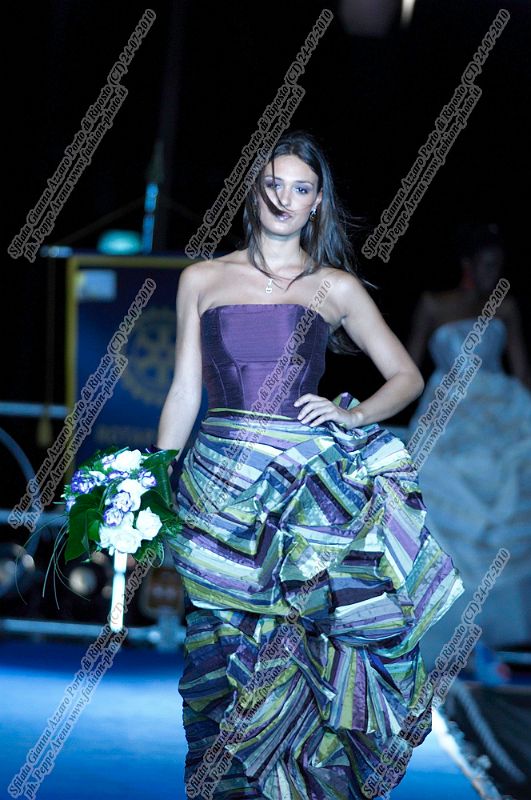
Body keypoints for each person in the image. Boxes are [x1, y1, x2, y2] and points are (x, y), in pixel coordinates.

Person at [156, 130, 464, 800]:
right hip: (216, 487)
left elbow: (406, 376)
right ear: (253, 191)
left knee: (299, 645)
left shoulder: (334, 286)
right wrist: (155, 480)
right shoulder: (201, 279)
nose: (284, 198)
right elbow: (183, 388)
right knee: (221, 648)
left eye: (300, 188)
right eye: (273, 184)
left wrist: (353, 416)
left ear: (316, 202)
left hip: (300, 488)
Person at [406, 224, 531, 666]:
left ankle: (498, 636)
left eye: (499, 265)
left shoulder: (506, 308)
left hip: (500, 407)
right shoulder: (434, 304)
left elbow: (521, 371)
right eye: (487, 264)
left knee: (513, 473)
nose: (494, 273)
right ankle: (447, 623)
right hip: (448, 406)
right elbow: (408, 367)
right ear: (468, 264)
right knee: (436, 474)